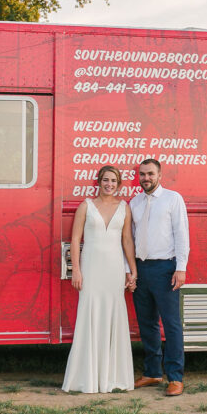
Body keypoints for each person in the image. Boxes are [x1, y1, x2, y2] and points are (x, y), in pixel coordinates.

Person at [62, 166, 138, 393]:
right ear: (99, 182)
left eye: (113, 181)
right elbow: (75, 240)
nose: (109, 184)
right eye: (105, 180)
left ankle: (112, 377)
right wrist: (76, 269)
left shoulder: (124, 207)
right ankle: (87, 377)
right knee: (90, 314)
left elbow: (127, 241)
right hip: (91, 268)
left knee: (113, 315)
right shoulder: (86, 206)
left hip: (114, 270)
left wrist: (132, 271)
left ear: (119, 184)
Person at [130, 158, 190, 396]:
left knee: (172, 325)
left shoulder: (173, 199)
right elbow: (130, 239)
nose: (146, 178)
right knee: (147, 324)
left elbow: (181, 233)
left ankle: (175, 377)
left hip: (166, 268)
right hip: (141, 269)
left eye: (150, 174)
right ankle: (153, 373)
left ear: (160, 175)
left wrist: (181, 267)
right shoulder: (134, 203)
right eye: (142, 174)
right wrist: (131, 271)